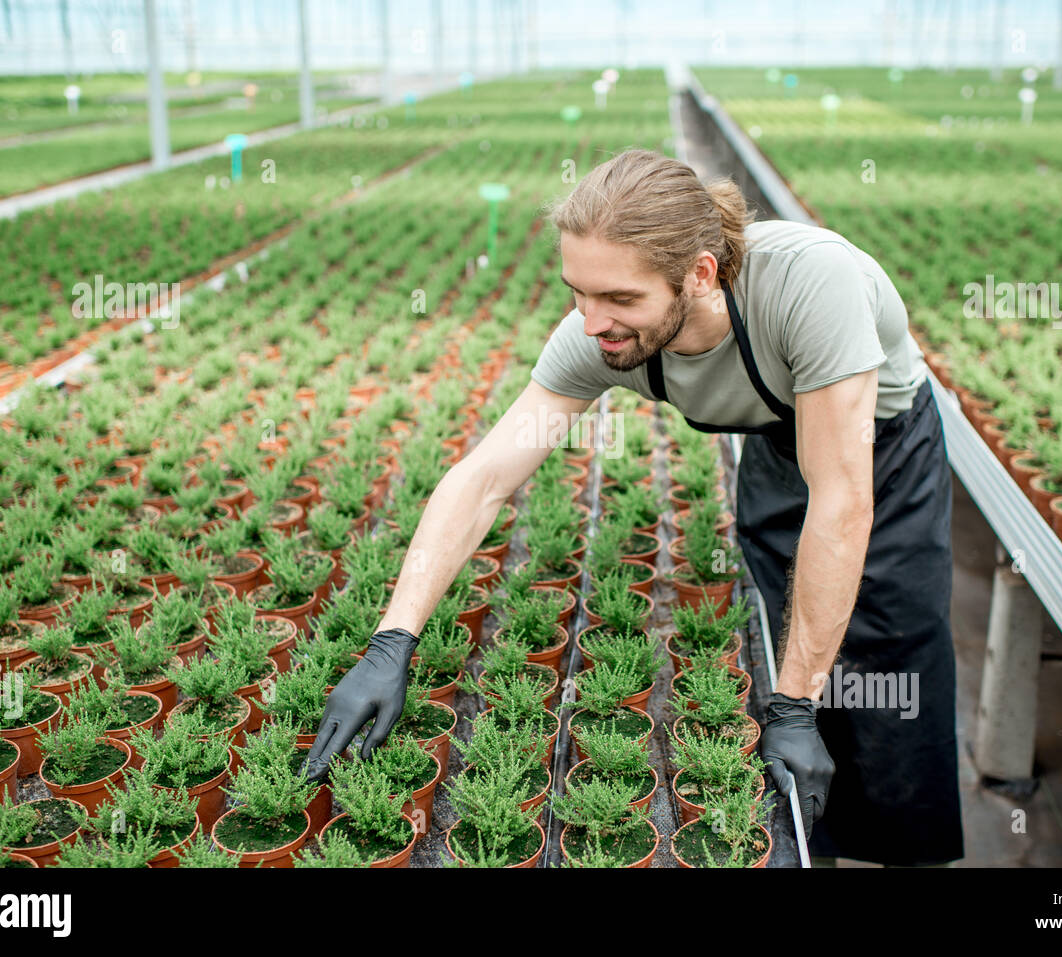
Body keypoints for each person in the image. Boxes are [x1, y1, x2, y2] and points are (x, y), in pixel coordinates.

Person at [305, 148, 964, 867]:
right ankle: (814, 842)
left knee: (888, 674)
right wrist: (391, 640)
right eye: (579, 293)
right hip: (779, 453)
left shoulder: (812, 286)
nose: (592, 321)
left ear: (700, 274)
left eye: (618, 298)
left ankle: (900, 846)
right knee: (784, 640)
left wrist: (796, 706)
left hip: (881, 455)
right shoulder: (599, 333)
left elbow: (841, 501)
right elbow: (485, 478)